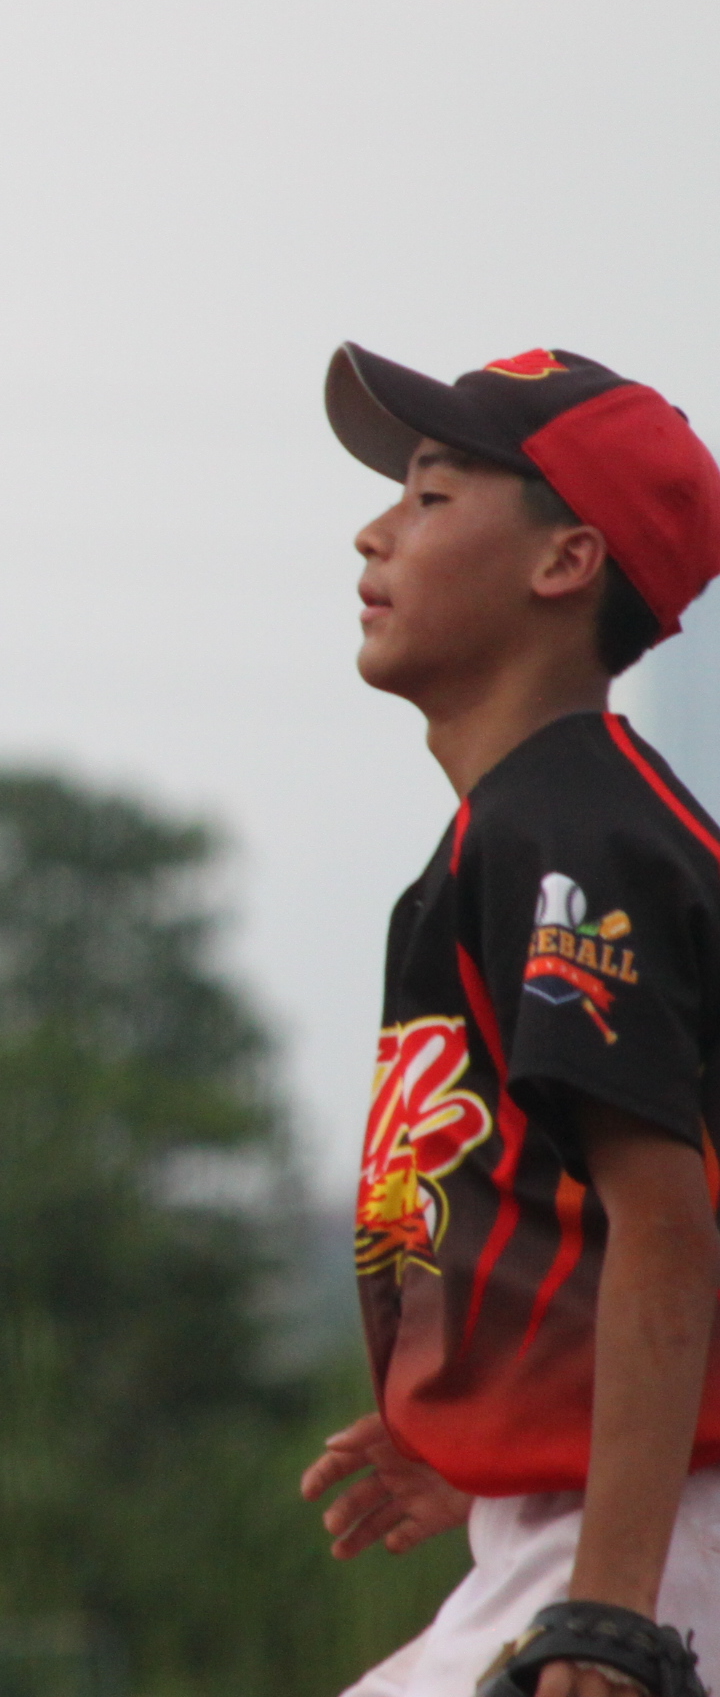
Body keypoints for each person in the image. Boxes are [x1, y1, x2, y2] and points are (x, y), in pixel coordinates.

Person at [303, 345, 720, 1697]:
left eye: (431, 495)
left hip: (652, 1550)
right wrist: (499, 1418)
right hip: (594, 1523)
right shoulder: (540, 823)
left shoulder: (571, 837)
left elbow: (668, 1225)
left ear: (566, 562)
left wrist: (614, 1613)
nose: (375, 532)